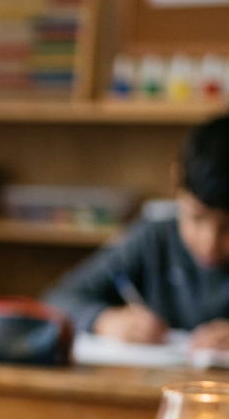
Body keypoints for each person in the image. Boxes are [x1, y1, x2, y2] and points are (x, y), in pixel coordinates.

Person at [44, 114, 229, 349]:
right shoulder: (154, 239)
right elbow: (56, 300)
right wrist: (105, 320)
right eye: (196, 217)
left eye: (227, 227)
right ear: (177, 179)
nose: (209, 242)